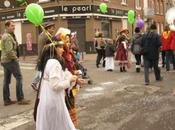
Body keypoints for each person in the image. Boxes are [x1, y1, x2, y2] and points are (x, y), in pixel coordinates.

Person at [36, 41, 77, 130]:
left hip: (47, 97)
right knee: (57, 123)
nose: (63, 50)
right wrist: (69, 80)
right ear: (54, 49)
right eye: (61, 48)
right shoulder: (54, 63)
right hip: (53, 99)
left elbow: (62, 73)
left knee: (51, 124)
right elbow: (55, 86)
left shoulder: (48, 61)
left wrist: (72, 78)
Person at [1, 20, 30, 105]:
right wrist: (16, 59)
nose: (14, 27)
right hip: (10, 60)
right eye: (12, 26)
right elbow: (10, 51)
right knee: (19, 77)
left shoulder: (10, 35)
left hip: (6, 60)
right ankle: (20, 98)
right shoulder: (7, 37)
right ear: (7, 27)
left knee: (6, 80)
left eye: (14, 26)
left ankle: (7, 100)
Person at [31, 22, 55, 91]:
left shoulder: (43, 34)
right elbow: (45, 47)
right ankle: (36, 83)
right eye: (52, 29)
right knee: (42, 70)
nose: (53, 30)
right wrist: (52, 44)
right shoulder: (46, 36)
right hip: (44, 56)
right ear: (48, 28)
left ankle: (35, 83)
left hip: (42, 55)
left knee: (41, 70)